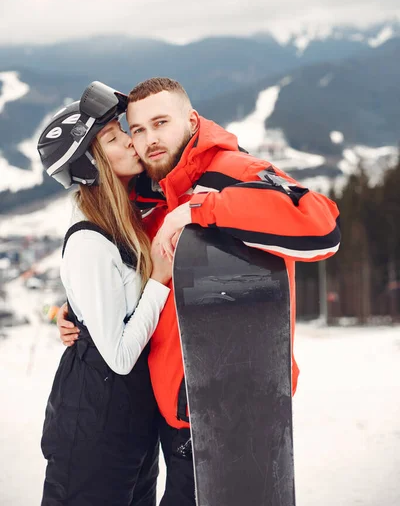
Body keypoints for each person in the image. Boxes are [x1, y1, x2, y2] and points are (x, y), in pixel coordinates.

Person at [60, 77, 341, 505]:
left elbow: (320, 225)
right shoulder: (152, 194)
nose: (149, 139)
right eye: (137, 130)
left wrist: (198, 210)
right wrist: (79, 309)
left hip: (230, 414)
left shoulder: (231, 173)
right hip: (170, 419)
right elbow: (133, 275)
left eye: (161, 123)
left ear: (191, 121)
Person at [37, 82, 172, 506]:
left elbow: (110, 295)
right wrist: (159, 281)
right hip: (94, 429)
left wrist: (76, 310)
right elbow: (119, 354)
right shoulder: (91, 241)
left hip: (128, 423)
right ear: (91, 166)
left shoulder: (122, 215)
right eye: (115, 139)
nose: (132, 141)